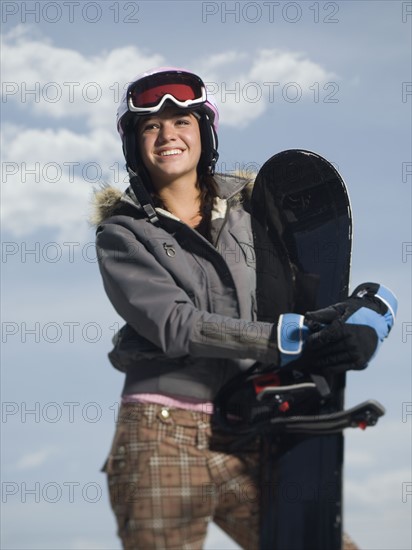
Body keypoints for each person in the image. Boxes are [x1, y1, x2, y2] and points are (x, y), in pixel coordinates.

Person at [93, 67, 396, 550]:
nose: (167, 135)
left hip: (252, 420)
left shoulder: (256, 210)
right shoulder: (124, 235)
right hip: (162, 434)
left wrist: (368, 323)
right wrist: (285, 340)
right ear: (135, 143)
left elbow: (328, 289)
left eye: (182, 122)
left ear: (204, 132)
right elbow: (175, 325)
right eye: (151, 126)